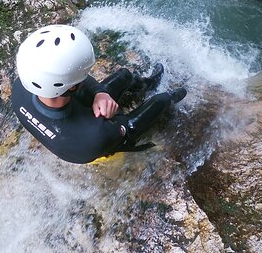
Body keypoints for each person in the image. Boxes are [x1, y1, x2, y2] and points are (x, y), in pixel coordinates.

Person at [12, 24, 187, 164]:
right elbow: (115, 130)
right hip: (90, 141)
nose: (87, 76)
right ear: (72, 88)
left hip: (71, 118)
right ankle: (174, 97)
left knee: (124, 76)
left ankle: (147, 83)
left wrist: (100, 93)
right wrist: (111, 121)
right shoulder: (95, 136)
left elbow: (78, 84)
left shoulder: (22, 86)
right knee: (161, 100)